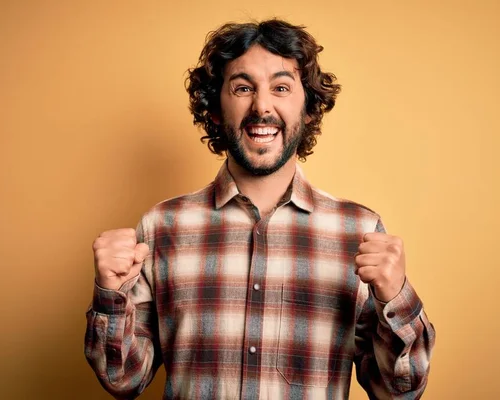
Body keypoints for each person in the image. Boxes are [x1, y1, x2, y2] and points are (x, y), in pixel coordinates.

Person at [85, 19, 435, 400]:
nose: (262, 106)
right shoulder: (160, 228)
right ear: (216, 108)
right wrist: (110, 295)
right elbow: (123, 380)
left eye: (281, 87)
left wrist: (396, 298)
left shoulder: (360, 231)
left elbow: (398, 391)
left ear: (309, 110)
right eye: (243, 88)